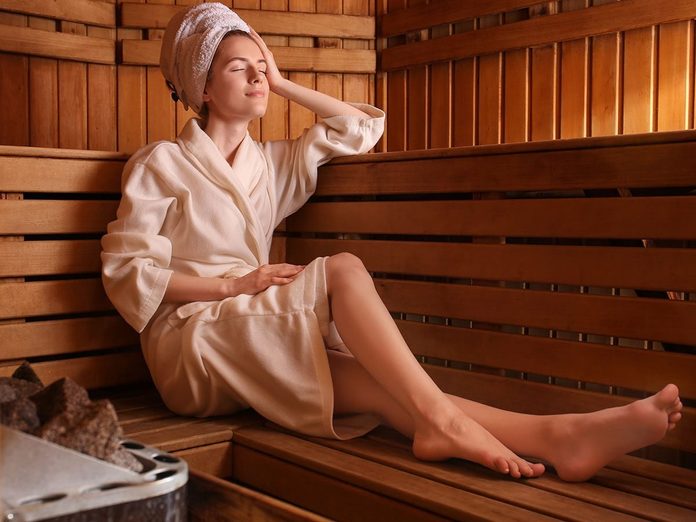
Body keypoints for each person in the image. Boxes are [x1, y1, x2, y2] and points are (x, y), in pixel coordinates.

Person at [101, 3, 682, 482]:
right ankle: (447, 423)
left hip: (253, 328)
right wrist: (234, 283)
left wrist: (283, 82)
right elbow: (129, 272)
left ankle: (562, 437)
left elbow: (360, 128)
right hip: (192, 341)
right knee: (346, 269)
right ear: (201, 84)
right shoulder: (163, 164)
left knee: (381, 390)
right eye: (237, 68)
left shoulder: (269, 166)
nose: (257, 77)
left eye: (262, 65)